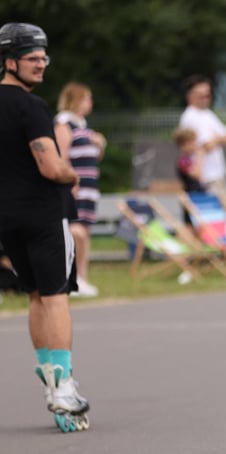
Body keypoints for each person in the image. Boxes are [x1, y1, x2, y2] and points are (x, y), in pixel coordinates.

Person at [0, 22, 90, 432]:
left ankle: (48, 377)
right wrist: (71, 176)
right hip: (42, 216)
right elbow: (50, 166)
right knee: (56, 297)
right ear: (10, 61)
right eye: (32, 58)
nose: (41, 65)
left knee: (35, 295)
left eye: (43, 57)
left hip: (8, 218)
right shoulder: (32, 107)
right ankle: (64, 385)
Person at [54, 82, 107, 298]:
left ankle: (82, 276)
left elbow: (93, 156)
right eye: (87, 98)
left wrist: (99, 143)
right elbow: (61, 155)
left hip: (88, 188)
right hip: (75, 187)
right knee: (76, 232)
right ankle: (72, 275)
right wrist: (69, 182)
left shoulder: (83, 125)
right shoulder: (64, 124)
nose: (90, 103)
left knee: (85, 232)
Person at [178, 75, 226, 197]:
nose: (206, 99)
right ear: (190, 96)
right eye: (201, 95)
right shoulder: (190, 117)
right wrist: (217, 139)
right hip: (204, 177)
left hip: (217, 174)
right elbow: (205, 145)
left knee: (225, 212)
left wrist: (216, 140)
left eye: (208, 95)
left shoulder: (208, 114)